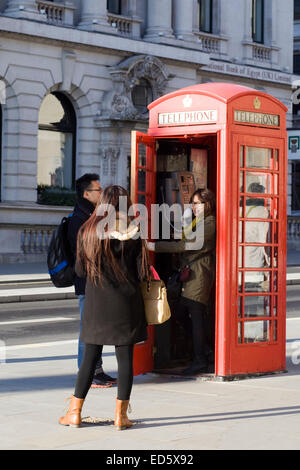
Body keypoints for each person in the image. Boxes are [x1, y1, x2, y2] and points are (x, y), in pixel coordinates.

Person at [59, 185, 149, 430]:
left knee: (89, 357)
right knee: (125, 359)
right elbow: (142, 273)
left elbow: (79, 271)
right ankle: (121, 416)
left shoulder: (88, 230)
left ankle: (74, 413)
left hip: (96, 303)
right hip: (126, 304)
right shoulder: (134, 232)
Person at [148, 188, 216, 375]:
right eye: (192, 203)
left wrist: (153, 246)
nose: (193, 207)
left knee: (195, 317)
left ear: (207, 204)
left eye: (197, 203)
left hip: (199, 275)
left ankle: (201, 359)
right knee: (180, 313)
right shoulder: (198, 221)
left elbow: (186, 244)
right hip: (189, 274)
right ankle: (205, 352)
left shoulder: (210, 223)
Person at [68, 173, 116, 388]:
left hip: (97, 281)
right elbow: (81, 255)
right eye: (98, 190)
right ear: (87, 194)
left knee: (96, 328)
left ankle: (97, 370)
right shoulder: (79, 219)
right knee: (87, 329)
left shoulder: (93, 214)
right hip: (87, 282)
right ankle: (86, 373)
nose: (102, 193)